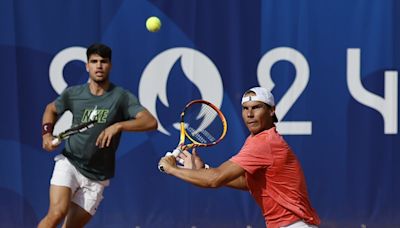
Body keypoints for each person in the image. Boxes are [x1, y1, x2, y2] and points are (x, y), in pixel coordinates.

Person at [158, 87, 320, 228]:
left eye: (256, 107)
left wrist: (172, 168)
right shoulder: (257, 140)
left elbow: (214, 180)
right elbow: (248, 182)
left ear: (271, 111)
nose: (249, 114)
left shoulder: (264, 143)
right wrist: (204, 169)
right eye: (245, 108)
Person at [39, 43, 158, 228]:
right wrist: (47, 134)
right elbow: (51, 109)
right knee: (56, 213)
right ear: (87, 66)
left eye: (103, 61)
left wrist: (118, 125)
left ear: (110, 65)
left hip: (97, 175)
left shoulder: (121, 97)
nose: (99, 66)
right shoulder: (74, 93)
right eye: (94, 61)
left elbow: (150, 121)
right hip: (70, 162)